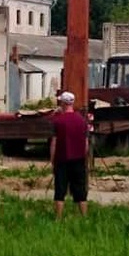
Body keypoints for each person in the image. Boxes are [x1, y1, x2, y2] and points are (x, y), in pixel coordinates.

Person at [49, 91, 88, 219]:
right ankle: (84, 217)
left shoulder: (58, 121)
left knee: (60, 190)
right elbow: (86, 143)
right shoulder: (82, 120)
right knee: (80, 189)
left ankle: (58, 218)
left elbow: (54, 142)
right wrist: (84, 157)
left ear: (63, 103)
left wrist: (52, 160)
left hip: (62, 159)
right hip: (79, 159)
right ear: (72, 103)